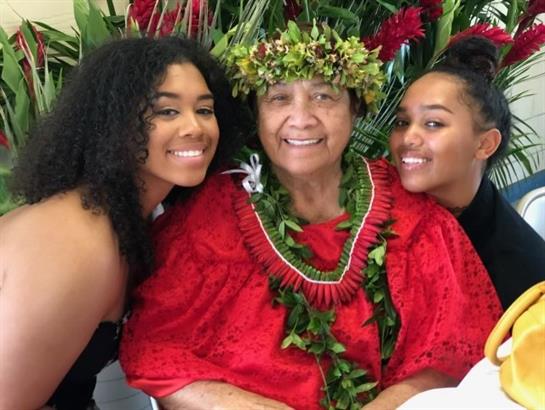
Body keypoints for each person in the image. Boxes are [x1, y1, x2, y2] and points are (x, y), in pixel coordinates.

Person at [120, 23, 503, 409]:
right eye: (279, 98)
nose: (301, 119)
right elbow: (156, 353)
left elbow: (451, 352)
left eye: (323, 96)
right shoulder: (205, 219)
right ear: (256, 111)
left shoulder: (413, 215)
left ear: (356, 108)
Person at [0, 36, 248, 410]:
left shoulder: (126, 220)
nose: (194, 127)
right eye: (166, 111)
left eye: (205, 109)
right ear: (113, 122)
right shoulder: (74, 244)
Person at [389, 36, 545, 310]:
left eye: (434, 123)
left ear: (485, 144)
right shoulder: (376, 207)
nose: (408, 137)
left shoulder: (523, 278)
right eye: (402, 122)